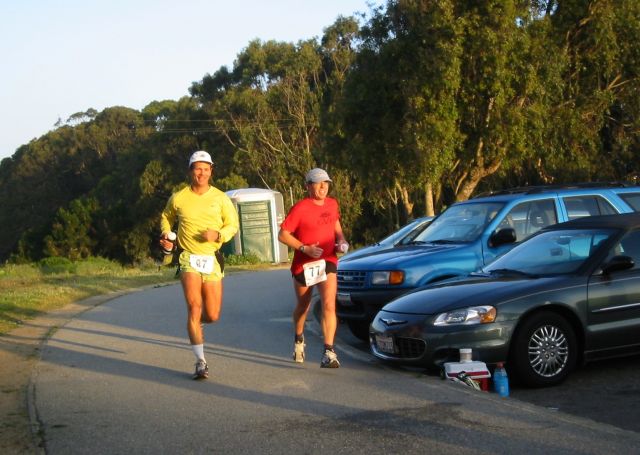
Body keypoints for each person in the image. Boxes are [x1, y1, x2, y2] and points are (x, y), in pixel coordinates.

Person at [159, 150, 239, 380]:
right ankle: (201, 361)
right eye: (197, 168)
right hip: (188, 258)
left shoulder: (221, 198)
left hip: (212, 258)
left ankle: (196, 325)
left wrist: (219, 235)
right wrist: (167, 232)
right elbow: (166, 216)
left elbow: (232, 225)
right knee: (194, 307)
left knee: (212, 314)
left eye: (206, 169)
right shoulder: (178, 197)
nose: (201, 173)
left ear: (211, 171)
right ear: (190, 171)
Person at [278, 168, 349, 368]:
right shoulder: (300, 208)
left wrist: (341, 241)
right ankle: (299, 338)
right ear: (308, 186)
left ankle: (329, 351)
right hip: (304, 264)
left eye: (325, 183)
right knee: (303, 307)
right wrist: (304, 248)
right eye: (318, 183)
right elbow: (282, 235)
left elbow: (336, 226)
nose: (322, 187)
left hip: (328, 260)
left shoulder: (333, 204)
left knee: (328, 304)